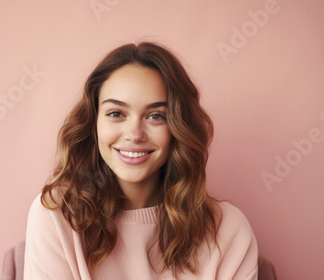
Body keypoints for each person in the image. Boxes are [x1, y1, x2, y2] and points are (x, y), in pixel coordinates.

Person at [24, 42, 258, 280]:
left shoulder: (229, 230)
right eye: (116, 113)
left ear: (178, 127)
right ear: (93, 123)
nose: (135, 134)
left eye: (156, 116)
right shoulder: (56, 215)